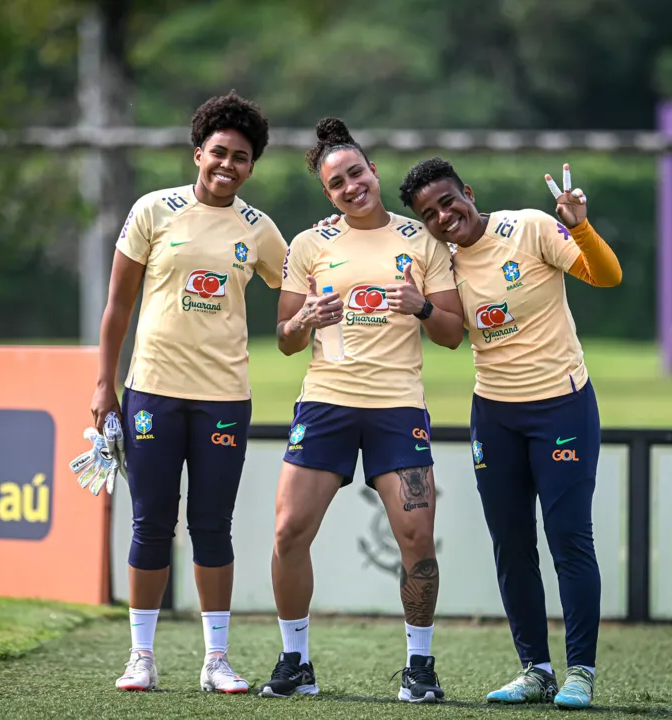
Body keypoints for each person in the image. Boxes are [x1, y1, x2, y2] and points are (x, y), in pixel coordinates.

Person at [397, 157, 622, 710]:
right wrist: (422, 306)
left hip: (562, 406)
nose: (443, 217)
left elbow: (607, 276)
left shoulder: (530, 228)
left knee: (569, 539)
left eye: (448, 201)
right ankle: (536, 669)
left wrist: (579, 225)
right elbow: (449, 336)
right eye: (429, 214)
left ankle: (581, 672)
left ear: (467, 192)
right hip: (494, 415)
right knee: (512, 545)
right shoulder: (443, 265)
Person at [256, 118, 464, 704]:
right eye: (337, 183)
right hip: (326, 401)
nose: (351, 187)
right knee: (289, 531)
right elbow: (285, 339)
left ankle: (419, 667)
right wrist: (305, 321)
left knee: (416, 535)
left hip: (397, 405)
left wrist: (421, 306)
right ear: (328, 194)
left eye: (357, 173)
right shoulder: (309, 245)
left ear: (374, 171)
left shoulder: (422, 242)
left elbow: (452, 335)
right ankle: (294, 661)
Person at [89, 91, 288, 694]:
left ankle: (216, 660)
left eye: (242, 158)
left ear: (252, 167)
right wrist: (104, 383)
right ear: (198, 151)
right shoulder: (153, 210)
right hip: (150, 391)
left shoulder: (259, 230)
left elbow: (297, 286)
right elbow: (118, 304)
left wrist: (307, 320)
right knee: (151, 524)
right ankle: (141, 657)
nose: (228, 165)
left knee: (211, 525)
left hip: (224, 397)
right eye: (220, 152)